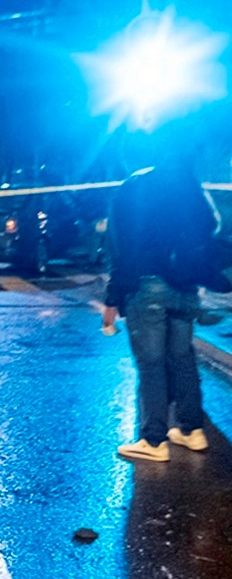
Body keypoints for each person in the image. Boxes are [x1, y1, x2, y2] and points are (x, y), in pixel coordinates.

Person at [104, 145, 221, 462]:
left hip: (147, 284)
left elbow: (121, 246)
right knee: (183, 357)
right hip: (185, 284)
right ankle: (191, 429)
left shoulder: (131, 187)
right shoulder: (185, 182)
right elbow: (210, 225)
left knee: (151, 363)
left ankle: (153, 440)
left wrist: (113, 298)